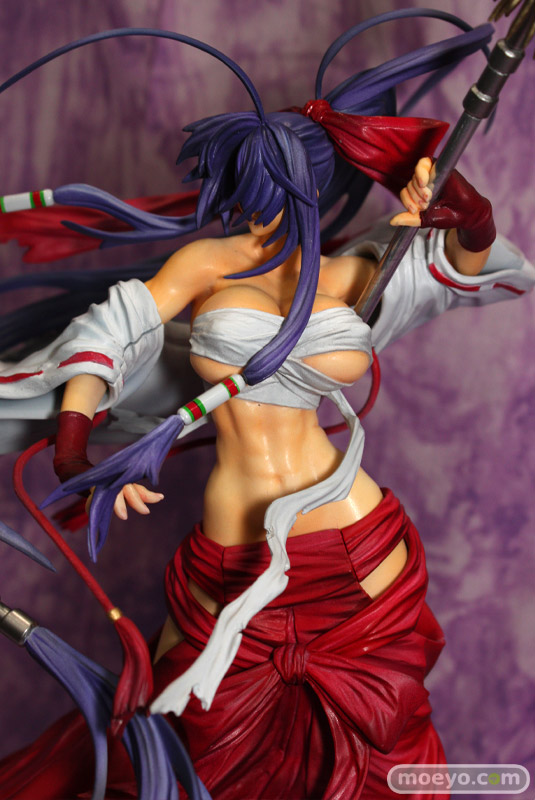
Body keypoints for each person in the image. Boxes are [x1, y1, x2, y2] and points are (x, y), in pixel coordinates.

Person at [0, 11, 534, 800]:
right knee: (196, 747)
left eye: (274, 194)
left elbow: (461, 266)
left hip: (354, 537)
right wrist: (74, 449)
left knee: (380, 752)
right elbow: (110, 334)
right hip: (237, 546)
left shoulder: (352, 273)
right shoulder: (208, 266)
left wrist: (466, 209)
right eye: (245, 194)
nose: (259, 215)